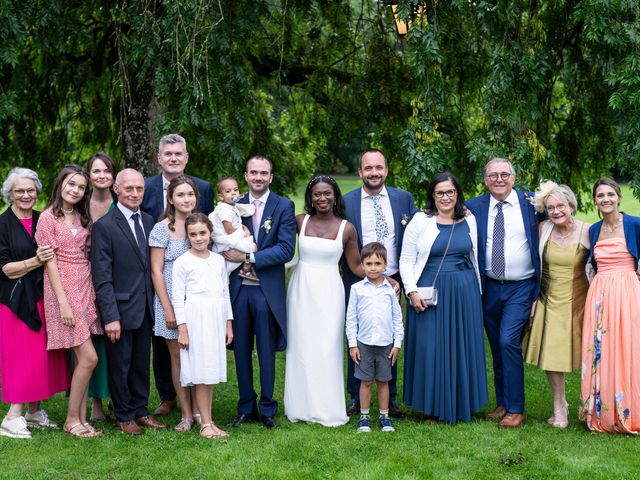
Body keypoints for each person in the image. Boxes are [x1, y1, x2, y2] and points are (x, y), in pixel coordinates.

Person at [400, 172, 487, 424]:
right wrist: (411, 290)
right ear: (432, 195)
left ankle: (463, 403)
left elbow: (475, 255)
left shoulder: (469, 220)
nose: (445, 197)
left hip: (464, 291)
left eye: (450, 192)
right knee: (432, 347)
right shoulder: (420, 221)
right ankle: (432, 406)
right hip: (429, 292)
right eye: (440, 192)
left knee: (463, 344)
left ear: (457, 194)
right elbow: (406, 259)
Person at [141, 133, 214, 417]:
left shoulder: (204, 188)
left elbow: (208, 226)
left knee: (195, 347)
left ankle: (198, 405)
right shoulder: (145, 188)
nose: (173, 158)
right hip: (164, 284)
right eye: (167, 154)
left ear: (186, 157)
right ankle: (168, 397)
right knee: (165, 347)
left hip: (196, 287)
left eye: (178, 154)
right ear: (159, 158)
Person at [342, 148, 418, 418]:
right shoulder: (347, 201)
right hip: (359, 278)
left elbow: (418, 229)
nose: (374, 173)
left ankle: (391, 398)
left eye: (379, 167)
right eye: (368, 168)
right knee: (358, 335)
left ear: (386, 170)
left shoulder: (403, 199)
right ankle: (355, 396)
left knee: (388, 335)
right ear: (360, 172)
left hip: (394, 279)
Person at [466, 158, 541, 428]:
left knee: (509, 340)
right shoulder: (474, 206)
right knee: (497, 345)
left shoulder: (532, 204)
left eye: (504, 174)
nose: (499, 179)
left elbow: (560, 215)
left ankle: (516, 408)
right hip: (488, 286)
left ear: (514, 177)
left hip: (521, 286)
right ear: (485, 180)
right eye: (493, 175)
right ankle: (502, 402)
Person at [222, 155, 296, 429]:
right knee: (241, 350)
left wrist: (249, 258)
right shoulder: (231, 204)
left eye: (264, 173)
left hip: (266, 290)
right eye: (253, 172)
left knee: (266, 351)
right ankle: (245, 407)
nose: (258, 177)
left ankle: (267, 408)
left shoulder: (283, 206)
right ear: (245, 175)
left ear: (271, 177)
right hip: (238, 289)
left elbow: (286, 249)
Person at [284, 175, 363, 427]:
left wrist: (387, 278)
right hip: (301, 289)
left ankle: (327, 407)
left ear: (335, 195)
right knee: (301, 345)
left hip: (330, 290)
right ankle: (300, 406)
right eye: (317, 194)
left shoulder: (346, 228)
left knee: (327, 347)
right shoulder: (300, 221)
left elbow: (357, 266)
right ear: (310, 197)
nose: (322, 198)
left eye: (327, 193)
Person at [91, 168, 166, 435]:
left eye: (139, 189)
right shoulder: (104, 227)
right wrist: (110, 316)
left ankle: (140, 410)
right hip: (119, 310)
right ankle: (123, 415)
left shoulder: (148, 221)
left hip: (145, 307)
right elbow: (102, 276)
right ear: (117, 190)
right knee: (120, 364)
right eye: (129, 189)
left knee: (140, 364)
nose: (135, 193)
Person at [0, 168, 68, 439]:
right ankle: (12, 416)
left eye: (30, 190)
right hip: (14, 301)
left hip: (42, 298)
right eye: (19, 191)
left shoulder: (43, 219)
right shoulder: (2, 224)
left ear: (37, 192)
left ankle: (34, 412)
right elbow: (4, 269)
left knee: (42, 356)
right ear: (10, 194)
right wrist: (35, 261)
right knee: (22, 358)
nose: (25, 195)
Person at [35, 164, 102, 438]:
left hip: (85, 286)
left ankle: (82, 420)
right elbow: (48, 261)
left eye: (81, 187)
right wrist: (63, 301)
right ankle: (71, 419)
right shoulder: (47, 218)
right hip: (61, 288)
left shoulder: (82, 218)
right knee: (89, 358)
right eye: (70, 184)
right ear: (60, 184)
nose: (75, 190)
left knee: (81, 359)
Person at [522, 181, 589, 429]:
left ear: (571, 206)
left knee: (588, 355)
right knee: (551, 356)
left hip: (581, 300)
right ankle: (559, 406)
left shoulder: (588, 231)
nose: (556, 211)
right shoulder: (543, 229)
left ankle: (592, 405)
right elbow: (533, 267)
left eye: (561, 206)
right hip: (549, 301)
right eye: (550, 207)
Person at [579, 178, 640, 433]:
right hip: (600, 294)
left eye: (610, 195)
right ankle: (602, 411)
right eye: (600, 195)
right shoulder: (593, 230)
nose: (605, 199)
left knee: (628, 346)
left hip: (627, 291)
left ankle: (630, 408)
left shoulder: (634, 224)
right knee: (601, 349)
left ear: (619, 198)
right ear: (595, 200)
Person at [172, 213, 234, 439]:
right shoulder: (183, 262)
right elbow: (178, 297)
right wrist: (182, 329)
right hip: (196, 316)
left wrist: (228, 323)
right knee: (200, 370)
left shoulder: (218, 260)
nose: (198, 238)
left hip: (216, 316)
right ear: (188, 236)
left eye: (202, 233)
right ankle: (204, 424)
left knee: (210, 369)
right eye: (193, 234)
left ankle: (209, 420)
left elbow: (225, 292)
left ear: (210, 233)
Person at [149, 175, 200, 432]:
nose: (186, 199)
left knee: (196, 354)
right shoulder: (162, 228)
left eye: (190, 194)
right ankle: (186, 414)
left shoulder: (201, 225)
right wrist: (168, 308)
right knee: (177, 356)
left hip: (197, 299)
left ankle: (200, 408)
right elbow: (156, 271)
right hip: (169, 299)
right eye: (180, 195)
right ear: (171, 198)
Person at [346, 242, 403, 433]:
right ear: (362, 265)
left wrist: (397, 344)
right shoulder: (357, 289)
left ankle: (384, 416)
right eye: (368, 264)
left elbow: (397, 318)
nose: (373, 268)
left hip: (386, 344)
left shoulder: (390, 289)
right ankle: (364, 416)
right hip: (364, 343)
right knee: (366, 381)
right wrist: (353, 345)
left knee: (384, 381)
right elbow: (351, 319)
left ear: (385, 265)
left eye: (377, 264)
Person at [86, 152, 118, 422]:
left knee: (113, 341)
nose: (101, 176)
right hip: (84, 280)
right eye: (96, 171)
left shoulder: (120, 206)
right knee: (92, 340)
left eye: (106, 171)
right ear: (89, 175)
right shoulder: (80, 206)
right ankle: (95, 401)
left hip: (114, 280)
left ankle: (116, 396)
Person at [209, 176, 259, 281]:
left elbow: (238, 215)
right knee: (253, 248)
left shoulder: (230, 206)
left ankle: (245, 269)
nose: (233, 193)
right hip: (228, 239)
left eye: (235, 190)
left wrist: (241, 226)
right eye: (228, 191)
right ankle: (246, 270)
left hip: (233, 237)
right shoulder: (224, 210)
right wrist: (243, 232)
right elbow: (229, 230)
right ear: (221, 197)